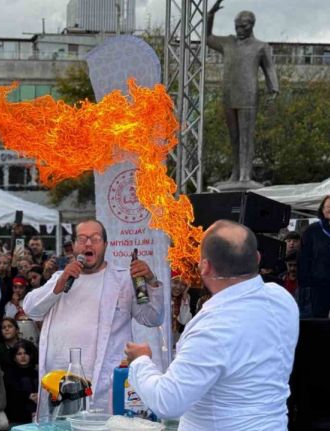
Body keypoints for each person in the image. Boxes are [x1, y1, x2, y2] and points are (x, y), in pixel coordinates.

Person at [125, 220, 299, 430]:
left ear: (205, 267)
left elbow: (167, 401)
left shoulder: (214, 327)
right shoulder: (282, 299)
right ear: (257, 258)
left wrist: (141, 361)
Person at [23, 218, 164, 414]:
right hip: (59, 386)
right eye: (82, 239)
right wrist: (61, 281)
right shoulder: (61, 278)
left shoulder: (123, 279)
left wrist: (150, 281)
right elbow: (31, 309)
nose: (88, 243)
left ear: (105, 245)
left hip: (102, 387)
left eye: (95, 238)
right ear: (73, 246)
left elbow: (152, 317)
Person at [206, 0, 279, 183]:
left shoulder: (260, 46)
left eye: (243, 26)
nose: (239, 29)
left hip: (248, 94)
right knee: (234, 137)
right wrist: (210, 15)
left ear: (251, 26)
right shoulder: (228, 43)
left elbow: (269, 69)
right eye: (237, 26)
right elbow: (207, 38)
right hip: (229, 93)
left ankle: (246, 174)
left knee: (246, 136)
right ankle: (236, 172)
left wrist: (274, 89)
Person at [299, 195, 330, 317]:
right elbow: (304, 258)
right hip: (318, 284)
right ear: (322, 210)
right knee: (318, 318)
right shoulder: (313, 230)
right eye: (328, 206)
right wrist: (305, 283)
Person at [3, 340, 39, 425]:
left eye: (26, 353)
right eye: (19, 354)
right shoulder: (9, 374)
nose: (23, 356)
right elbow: (11, 395)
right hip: (17, 412)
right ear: (14, 357)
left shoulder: (36, 373)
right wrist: (28, 396)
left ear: (31, 355)